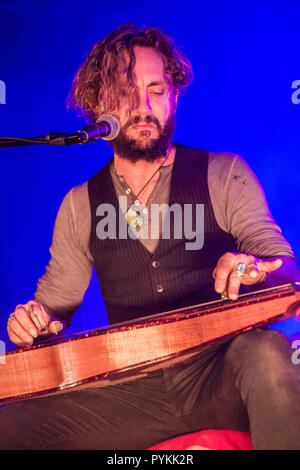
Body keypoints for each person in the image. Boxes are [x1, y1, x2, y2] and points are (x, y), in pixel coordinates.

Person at [2, 23, 300, 450]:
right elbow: (52, 311)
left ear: (174, 95)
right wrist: (32, 324)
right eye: (126, 92)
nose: (143, 106)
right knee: (8, 424)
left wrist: (255, 270)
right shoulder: (79, 205)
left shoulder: (224, 173)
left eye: (156, 90)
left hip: (222, 377)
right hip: (133, 393)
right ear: (99, 104)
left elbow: (285, 270)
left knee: (270, 354)